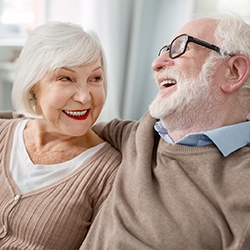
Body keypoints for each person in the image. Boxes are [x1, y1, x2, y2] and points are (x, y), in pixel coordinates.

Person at [79, 14, 250, 250]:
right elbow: (44, 127)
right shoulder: (137, 134)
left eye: (180, 48)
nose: (156, 63)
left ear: (234, 71)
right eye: (165, 49)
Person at [0, 22, 121, 249]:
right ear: (32, 86)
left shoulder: (109, 172)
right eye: (66, 78)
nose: (85, 97)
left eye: (95, 79)